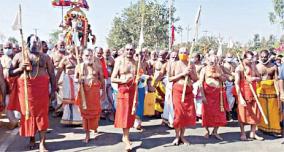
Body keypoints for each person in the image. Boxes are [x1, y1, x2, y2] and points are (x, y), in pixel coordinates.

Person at [9, 35, 56, 151]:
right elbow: (10, 72)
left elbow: (52, 74)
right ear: (28, 43)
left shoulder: (46, 57)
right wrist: (20, 69)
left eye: (38, 42)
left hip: (42, 90)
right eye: (34, 42)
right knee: (28, 114)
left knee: (42, 115)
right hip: (26, 91)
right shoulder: (19, 56)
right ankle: (32, 139)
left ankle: (42, 143)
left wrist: (54, 90)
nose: (37, 44)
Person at [168, 47, 198, 145]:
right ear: (178, 53)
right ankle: (176, 137)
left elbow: (195, 79)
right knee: (179, 114)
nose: (183, 54)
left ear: (188, 53)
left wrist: (190, 73)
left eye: (185, 52)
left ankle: (182, 136)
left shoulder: (191, 64)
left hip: (188, 91)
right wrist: (182, 74)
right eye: (181, 52)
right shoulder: (174, 64)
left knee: (185, 115)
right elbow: (170, 78)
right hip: (178, 91)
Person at [75, 48, 105, 143]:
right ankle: (87, 134)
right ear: (83, 56)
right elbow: (75, 79)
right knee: (85, 114)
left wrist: (103, 92)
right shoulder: (79, 66)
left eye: (90, 55)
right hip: (84, 94)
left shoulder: (98, 66)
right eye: (86, 55)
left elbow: (102, 80)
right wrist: (79, 80)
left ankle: (94, 127)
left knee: (95, 112)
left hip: (94, 93)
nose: (89, 57)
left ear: (93, 56)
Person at [111, 44, 137, 151]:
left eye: (131, 50)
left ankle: (126, 135)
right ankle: (126, 138)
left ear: (134, 51)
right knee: (123, 114)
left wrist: (140, 77)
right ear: (124, 51)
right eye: (127, 49)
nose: (129, 51)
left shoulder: (136, 63)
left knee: (131, 114)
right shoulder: (119, 61)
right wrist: (122, 80)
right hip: (123, 90)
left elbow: (140, 75)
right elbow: (113, 78)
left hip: (133, 91)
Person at [234, 51, 263, 141]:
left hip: (253, 92)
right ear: (244, 58)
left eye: (252, 59)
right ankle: (243, 133)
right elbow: (236, 84)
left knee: (255, 112)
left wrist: (254, 78)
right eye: (249, 59)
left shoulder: (254, 66)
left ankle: (253, 133)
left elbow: (260, 78)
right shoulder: (239, 68)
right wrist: (240, 97)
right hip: (243, 93)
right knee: (242, 114)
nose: (251, 61)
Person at [199, 54, 228, 140]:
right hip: (207, 95)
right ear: (207, 61)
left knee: (218, 114)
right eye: (212, 62)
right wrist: (203, 96)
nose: (214, 63)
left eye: (216, 61)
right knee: (207, 113)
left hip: (218, 94)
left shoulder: (219, 69)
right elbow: (200, 83)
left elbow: (224, 79)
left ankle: (215, 131)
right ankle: (207, 131)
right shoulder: (204, 69)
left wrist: (219, 76)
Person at [256, 50, 282, 136]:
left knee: (273, 111)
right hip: (260, 90)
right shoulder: (257, 67)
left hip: (272, 90)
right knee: (261, 110)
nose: (263, 59)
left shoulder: (274, 67)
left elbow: (276, 79)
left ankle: (274, 129)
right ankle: (262, 128)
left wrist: (278, 92)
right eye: (262, 57)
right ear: (260, 57)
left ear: (268, 56)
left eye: (265, 57)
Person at [56, 46, 82, 125]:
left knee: (78, 99)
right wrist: (55, 83)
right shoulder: (65, 59)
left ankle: (79, 119)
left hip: (77, 81)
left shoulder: (80, 60)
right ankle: (68, 119)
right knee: (68, 101)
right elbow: (59, 71)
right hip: (68, 81)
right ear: (71, 52)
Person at [0, 41, 19, 129]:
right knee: (7, 104)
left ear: (12, 48)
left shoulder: (17, 57)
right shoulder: (1, 59)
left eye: (9, 47)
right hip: (6, 85)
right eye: (5, 48)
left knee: (17, 104)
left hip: (17, 84)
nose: (7, 49)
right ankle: (13, 121)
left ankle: (19, 121)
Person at [223, 52, 238, 120]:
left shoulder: (234, 64)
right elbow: (228, 74)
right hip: (227, 83)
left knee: (234, 100)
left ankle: (232, 113)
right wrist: (233, 75)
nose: (229, 59)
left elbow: (236, 72)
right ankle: (227, 113)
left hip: (234, 83)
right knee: (228, 100)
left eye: (231, 57)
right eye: (228, 57)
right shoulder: (224, 65)